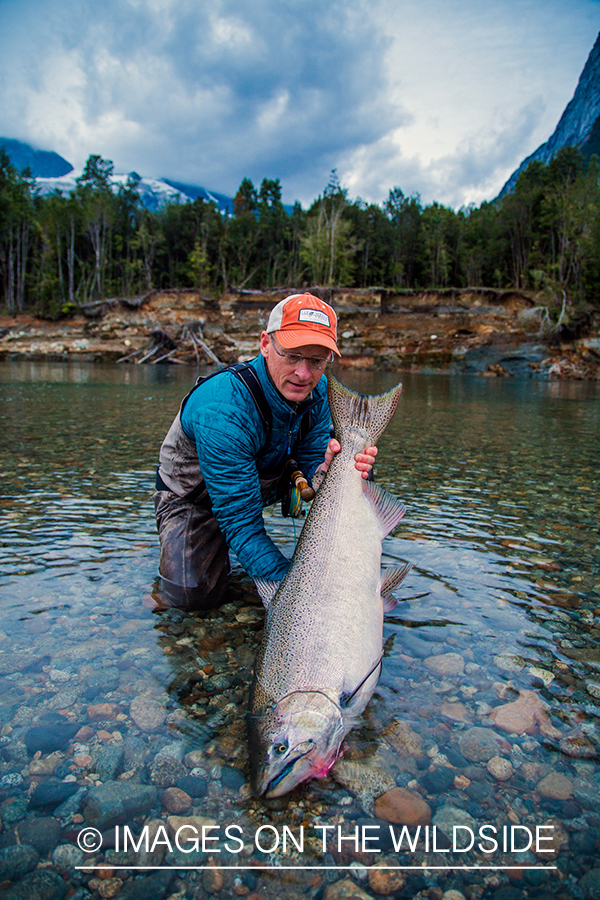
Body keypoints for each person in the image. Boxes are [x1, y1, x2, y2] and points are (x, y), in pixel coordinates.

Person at [153, 292, 377, 610]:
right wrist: (297, 594)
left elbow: (310, 460)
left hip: (263, 481)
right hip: (192, 499)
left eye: (316, 361)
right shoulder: (224, 408)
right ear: (265, 344)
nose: (304, 374)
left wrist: (327, 471)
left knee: (352, 472)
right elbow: (241, 522)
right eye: (292, 356)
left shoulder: (319, 392)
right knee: (190, 597)